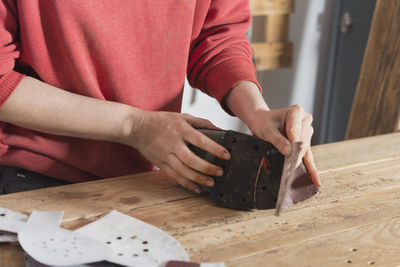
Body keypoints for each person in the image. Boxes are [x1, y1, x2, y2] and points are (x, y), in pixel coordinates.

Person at [0, 0, 320, 194]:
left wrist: (256, 112)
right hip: (30, 176)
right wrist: (134, 126)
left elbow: (216, 34)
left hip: (141, 177)